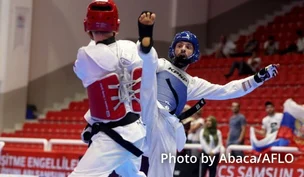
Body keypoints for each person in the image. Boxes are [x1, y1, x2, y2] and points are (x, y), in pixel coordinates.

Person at [137, 11, 279, 177]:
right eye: (180, 45)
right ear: (173, 49)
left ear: (195, 54)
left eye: (188, 47)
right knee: (123, 162)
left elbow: (227, 90)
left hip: (166, 127)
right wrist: (145, 39)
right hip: (144, 114)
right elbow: (146, 63)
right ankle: (145, 37)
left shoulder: (192, 83)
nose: (183, 49)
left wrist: (256, 79)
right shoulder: (161, 64)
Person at [70, 1, 146, 176]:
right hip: (136, 130)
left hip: (114, 136)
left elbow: (80, 71)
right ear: (116, 26)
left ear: (86, 26)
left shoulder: (86, 56)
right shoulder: (131, 48)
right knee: (130, 175)